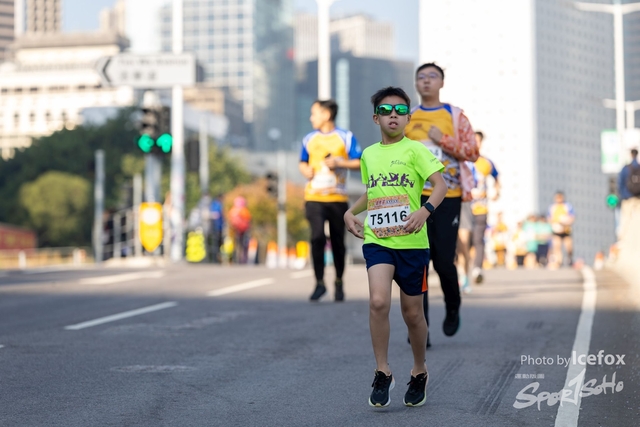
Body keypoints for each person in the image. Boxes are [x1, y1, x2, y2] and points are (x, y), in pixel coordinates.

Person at [344, 86, 446, 408]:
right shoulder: (369, 155)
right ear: (376, 118)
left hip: (413, 243)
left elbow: (440, 185)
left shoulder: (415, 150)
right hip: (378, 239)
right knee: (378, 302)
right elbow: (373, 193)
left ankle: (419, 370)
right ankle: (382, 370)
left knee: (412, 313)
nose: (393, 115)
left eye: (401, 111)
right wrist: (350, 211)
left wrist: (425, 211)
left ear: (408, 118)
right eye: (386, 110)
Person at [405, 63, 479, 342]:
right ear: (416, 83)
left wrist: (443, 140)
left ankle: (453, 306)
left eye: (432, 76)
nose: (426, 81)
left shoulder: (455, 115)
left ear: (442, 83)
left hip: (448, 196)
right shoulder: (409, 117)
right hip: (414, 197)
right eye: (421, 77)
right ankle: (420, 328)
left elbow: (473, 152)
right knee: (418, 263)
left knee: (443, 261)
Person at [299, 99, 362, 302]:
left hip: (337, 198)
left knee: (337, 242)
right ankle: (319, 283)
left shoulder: (345, 137)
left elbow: (360, 161)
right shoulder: (309, 138)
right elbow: (302, 161)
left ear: (326, 114)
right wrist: (305, 170)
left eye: (314, 113)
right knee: (317, 237)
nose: (311, 118)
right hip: (313, 197)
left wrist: (340, 163)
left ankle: (339, 281)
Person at [469, 131, 500, 282]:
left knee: (478, 239)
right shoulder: (463, 160)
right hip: (464, 206)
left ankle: (477, 269)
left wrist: (496, 192)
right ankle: (461, 271)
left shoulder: (486, 163)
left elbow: (497, 177)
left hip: (481, 208)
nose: (476, 143)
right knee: (463, 240)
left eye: (478, 141)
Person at [547, 191, 575, 267]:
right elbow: (549, 218)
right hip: (556, 230)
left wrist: (566, 222)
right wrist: (554, 223)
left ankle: (570, 258)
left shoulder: (567, 206)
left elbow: (572, 217)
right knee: (557, 246)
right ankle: (559, 261)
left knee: (568, 246)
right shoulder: (552, 207)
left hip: (566, 230)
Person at [617, 148, 640, 241]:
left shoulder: (626, 168)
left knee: (625, 220)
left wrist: (624, 196)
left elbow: (620, 184)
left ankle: (622, 241)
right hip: (638, 199)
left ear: (631, 155)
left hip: (627, 199)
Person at [228, 196, 251, 264]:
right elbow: (248, 220)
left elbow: (230, 220)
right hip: (243, 230)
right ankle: (242, 259)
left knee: (235, 245)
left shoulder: (232, 210)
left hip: (234, 230)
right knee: (243, 245)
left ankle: (235, 259)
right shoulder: (244, 210)